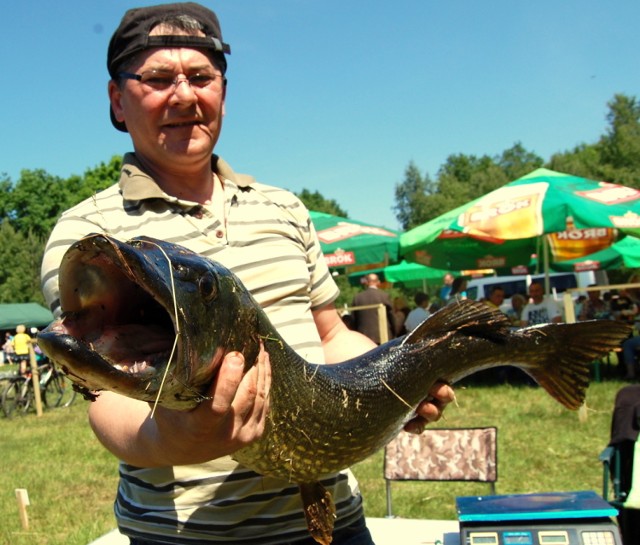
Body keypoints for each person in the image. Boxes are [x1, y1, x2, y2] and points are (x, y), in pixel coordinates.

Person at [40, 4, 454, 544]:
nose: (185, 96)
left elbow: (330, 336)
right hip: (182, 536)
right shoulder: (91, 235)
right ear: (118, 100)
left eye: (202, 77)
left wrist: (393, 382)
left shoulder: (283, 207)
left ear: (223, 94)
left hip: (337, 522)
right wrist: (178, 440)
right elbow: (104, 396)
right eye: (159, 78)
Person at [351, 273, 394, 344]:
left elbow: (353, 319)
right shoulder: (384, 296)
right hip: (383, 336)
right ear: (378, 282)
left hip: (364, 338)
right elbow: (391, 316)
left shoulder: (357, 298)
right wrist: (394, 332)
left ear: (366, 282)